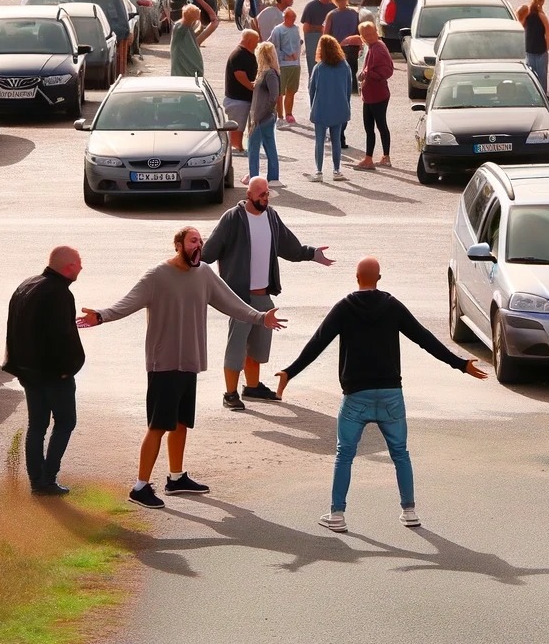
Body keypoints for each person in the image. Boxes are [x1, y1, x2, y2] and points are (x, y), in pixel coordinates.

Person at [77, 227, 287, 509]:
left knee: (180, 423)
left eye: (201, 241)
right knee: (158, 425)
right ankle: (139, 486)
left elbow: (232, 304)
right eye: (192, 241)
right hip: (164, 363)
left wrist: (261, 318)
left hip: (190, 362)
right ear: (178, 245)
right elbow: (127, 304)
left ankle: (175, 478)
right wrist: (101, 316)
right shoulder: (157, 276)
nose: (198, 245)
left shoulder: (204, 274)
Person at [276, 257, 486, 532]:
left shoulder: (344, 308)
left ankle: (337, 515)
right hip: (390, 395)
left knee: (344, 455)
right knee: (400, 454)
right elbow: (424, 338)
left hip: (356, 396)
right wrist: (459, 364)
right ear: (379, 278)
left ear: (356, 277)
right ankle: (409, 511)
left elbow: (317, 342)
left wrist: (290, 372)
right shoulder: (392, 306)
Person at [206, 176, 333, 409]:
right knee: (236, 347)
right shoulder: (233, 219)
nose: (265, 198)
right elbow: (209, 252)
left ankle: (252, 387)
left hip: (263, 296)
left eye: (267, 194)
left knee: (258, 347)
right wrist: (188, 266)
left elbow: (289, 246)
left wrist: (313, 253)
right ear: (249, 195)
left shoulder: (272, 217)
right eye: (261, 194)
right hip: (239, 297)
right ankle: (230, 393)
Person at [3, 246, 86, 497]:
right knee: (65, 422)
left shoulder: (26, 285)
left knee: (37, 425)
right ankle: (48, 477)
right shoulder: (59, 294)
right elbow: (63, 338)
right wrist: (68, 369)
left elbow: (12, 329)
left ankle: (36, 481)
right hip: (54, 374)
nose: (81, 267)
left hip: (29, 372)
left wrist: (17, 367)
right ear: (68, 267)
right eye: (79, 263)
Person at [308, 34, 352, 181]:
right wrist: (346, 105)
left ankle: (319, 172)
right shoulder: (344, 66)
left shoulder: (319, 67)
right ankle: (336, 170)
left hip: (321, 108)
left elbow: (312, 89)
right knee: (336, 141)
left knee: (319, 141)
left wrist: (312, 106)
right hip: (339, 107)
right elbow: (348, 88)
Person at [354, 21, 393, 169]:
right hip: (371, 94)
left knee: (377, 126)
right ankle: (380, 157)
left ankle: (374, 159)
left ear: (377, 32)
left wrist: (369, 74)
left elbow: (387, 71)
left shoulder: (378, 48)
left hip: (377, 94)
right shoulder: (371, 47)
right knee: (371, 127)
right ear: (362, 37)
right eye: (366, 35)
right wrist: (364, 73)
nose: (369, 37)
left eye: (371, 33)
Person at [244, 46, 283, 186]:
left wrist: (260, 115)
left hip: (262, 118)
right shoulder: (265, 73)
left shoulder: (270, 74)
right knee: (269, 145)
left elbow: (274, 97)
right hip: (263, 117)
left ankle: (255, 178)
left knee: (253, 148)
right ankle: (273, 177)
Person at [222, 29, 260, 150]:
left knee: (241, 127)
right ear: (249, 41)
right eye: (256, 41)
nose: (257, 43)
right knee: (237, 127)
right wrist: (252, 86)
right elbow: (240, 75)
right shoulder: (238, 55)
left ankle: (239, 147)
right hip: (238, 100)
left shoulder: (246, 53)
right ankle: (237, 148)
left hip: (243, 100)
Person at [169, 0, 220, 79]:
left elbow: (198, 39)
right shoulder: (179, 28)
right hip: (183, 76)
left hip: (193, 75)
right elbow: (188, 19)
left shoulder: (188, 29)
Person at [270, 7, 303, 125]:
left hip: (295, 65)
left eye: (295, 18)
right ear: (285, 18)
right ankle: (280, 116)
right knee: (280, 92)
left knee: (291, 91)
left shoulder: (296, 29)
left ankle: (289, 113)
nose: (293, 20)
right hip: (282, 66)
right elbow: (274, 47)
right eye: (291, 18)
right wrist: (285, 56)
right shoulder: (277, 30)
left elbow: (298, 43)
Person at [324, 0, 361, 92]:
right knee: (352, 67)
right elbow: (358, 29)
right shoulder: (354, 12)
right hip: (352, 44)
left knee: (340, 67)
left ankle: (342, 87)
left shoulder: (332, 14)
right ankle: (353, 87)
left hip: (338, 45)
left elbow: (326, 33)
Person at [519, 0, 549, 91]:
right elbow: (548, 33)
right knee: (541, 78)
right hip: (537, 50)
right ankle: (542, 96)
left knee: (532, 77)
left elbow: (520, 27)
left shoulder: (530, 14)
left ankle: (536, 96)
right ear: (541, 2)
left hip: (531, 49)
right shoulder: (540, 15)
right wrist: (546, 48)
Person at [300, 0, 334, 71]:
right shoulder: (311, 7)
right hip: (314, 38)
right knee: (314, 65)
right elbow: (305, 28)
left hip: (330, 38)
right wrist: (320, 28)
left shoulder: (334, 6)